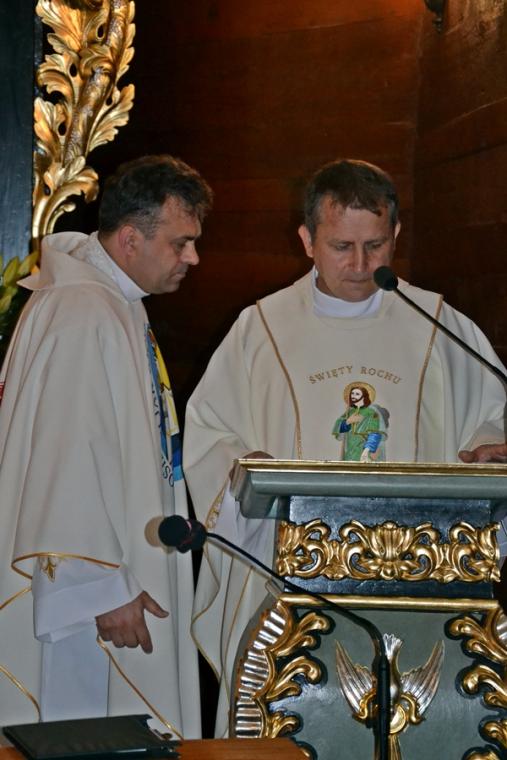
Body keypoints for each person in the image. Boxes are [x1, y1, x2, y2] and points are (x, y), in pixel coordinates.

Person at [182, 158, 507, 736]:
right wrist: (246, 469)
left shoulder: (440, 326)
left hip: (420, 579)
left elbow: (489, 420)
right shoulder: (261, 330)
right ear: (307, 240)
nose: (360, 265)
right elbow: (210, 433)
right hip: (292, 577)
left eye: (375, 246)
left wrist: (489, 448)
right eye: (341, 247)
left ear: (396, 234)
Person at [0, 154, 213, 736]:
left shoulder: (109, 302)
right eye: (180, 243)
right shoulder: (83, 312)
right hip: (82, 603)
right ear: (129, 239)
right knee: (83, 731)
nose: (193, 258)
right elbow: (67, 457)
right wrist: (98, 589)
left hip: (105, 573)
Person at [332, 382, 389, 461]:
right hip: (349, 449)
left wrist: (366, 450)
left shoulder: (371, 412)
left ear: (364, 396)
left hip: (363, 448)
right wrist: (348, 421)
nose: (353, 396)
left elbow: (375, 434)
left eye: (357, 394)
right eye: (352, 393)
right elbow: (339, 429)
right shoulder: (349, 412)